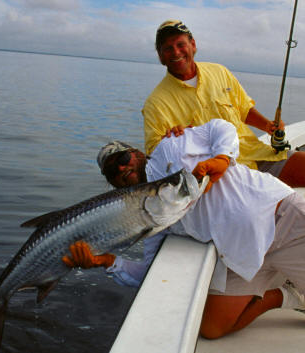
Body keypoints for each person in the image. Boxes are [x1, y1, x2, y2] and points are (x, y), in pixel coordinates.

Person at [62, 119, 305, 339]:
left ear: (137, 153)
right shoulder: (150, 220)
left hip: (282, 219)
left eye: (123, 160)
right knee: (211, 328)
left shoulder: (170, 146)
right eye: (113, 172)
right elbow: (147, 273)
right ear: (113, 185)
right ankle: (288, 295)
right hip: (243, 257)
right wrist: (105, 261)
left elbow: (220, 127)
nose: (123, 169)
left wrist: (222, 157)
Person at [142, 19, 305, 188]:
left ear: (193, 45)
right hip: (218, 179)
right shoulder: (155, 104)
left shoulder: (219, 71)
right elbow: (154, 157)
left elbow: (244, 109)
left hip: (255, 154)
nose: (176, 52)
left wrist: (268, 126)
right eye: (168, 48)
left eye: (180, 44)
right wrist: (170, 142)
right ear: (160, 56)